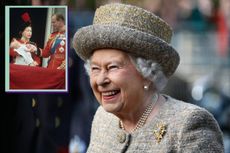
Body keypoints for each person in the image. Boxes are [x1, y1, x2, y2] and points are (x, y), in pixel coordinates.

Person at [73, 3, 224, 152]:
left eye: (112, 67)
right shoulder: (103, 118)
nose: (100, 80)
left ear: (147, 74)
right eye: (95, 69)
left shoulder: (189, 126)